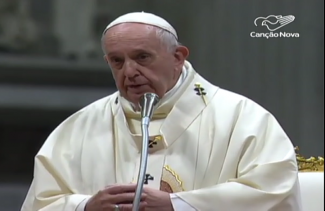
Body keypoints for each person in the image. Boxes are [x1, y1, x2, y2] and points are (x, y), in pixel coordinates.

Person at [21, 12, 302, 211]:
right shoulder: (79, 127)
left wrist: (177, 205)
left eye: (142, 57)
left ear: (178, 57)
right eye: (117, 61)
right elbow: (42, 202)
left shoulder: (242, 118)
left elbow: (273, 194)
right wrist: (85, 206)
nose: (129, 71)